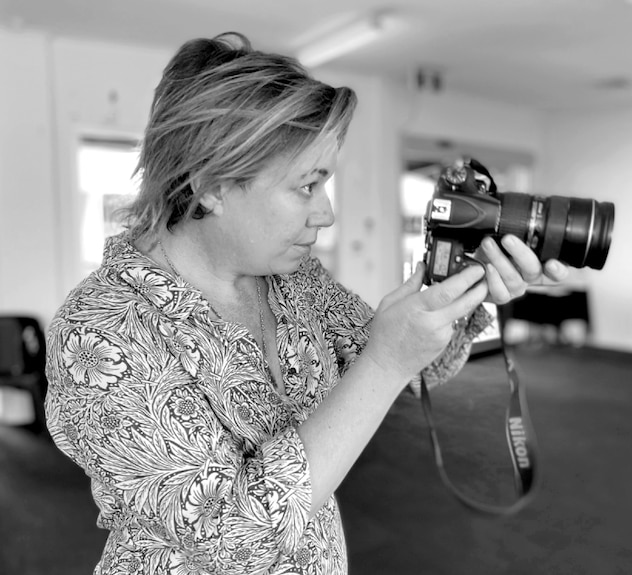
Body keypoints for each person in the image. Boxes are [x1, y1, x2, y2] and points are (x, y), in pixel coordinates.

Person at [44, 32, 568, 575]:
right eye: (307, 186)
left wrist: (467, 285)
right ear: (211, 185)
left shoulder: (295, 280)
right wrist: (386, 361)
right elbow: (233, 539)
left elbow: (413, 365)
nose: (327, 214)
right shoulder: (99, 333)